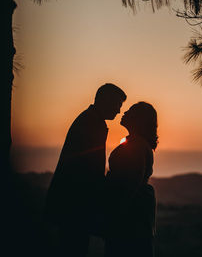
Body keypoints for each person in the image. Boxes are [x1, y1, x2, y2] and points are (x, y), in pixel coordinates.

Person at [44, 83, 126, 257]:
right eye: (117, 104)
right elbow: (91, 171)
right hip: (75, 206)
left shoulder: (89, 119)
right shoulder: (92, 124)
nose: (119, 111)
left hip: (71, 204)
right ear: (105, 100)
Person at [104, 102, 158, 257]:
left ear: (139, 119)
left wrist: (114, 217)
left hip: (129, 222)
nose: (124, 112)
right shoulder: (135, 143)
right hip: (131, 219)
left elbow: (130, 186)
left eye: (131, 111)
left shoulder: (137, 146)